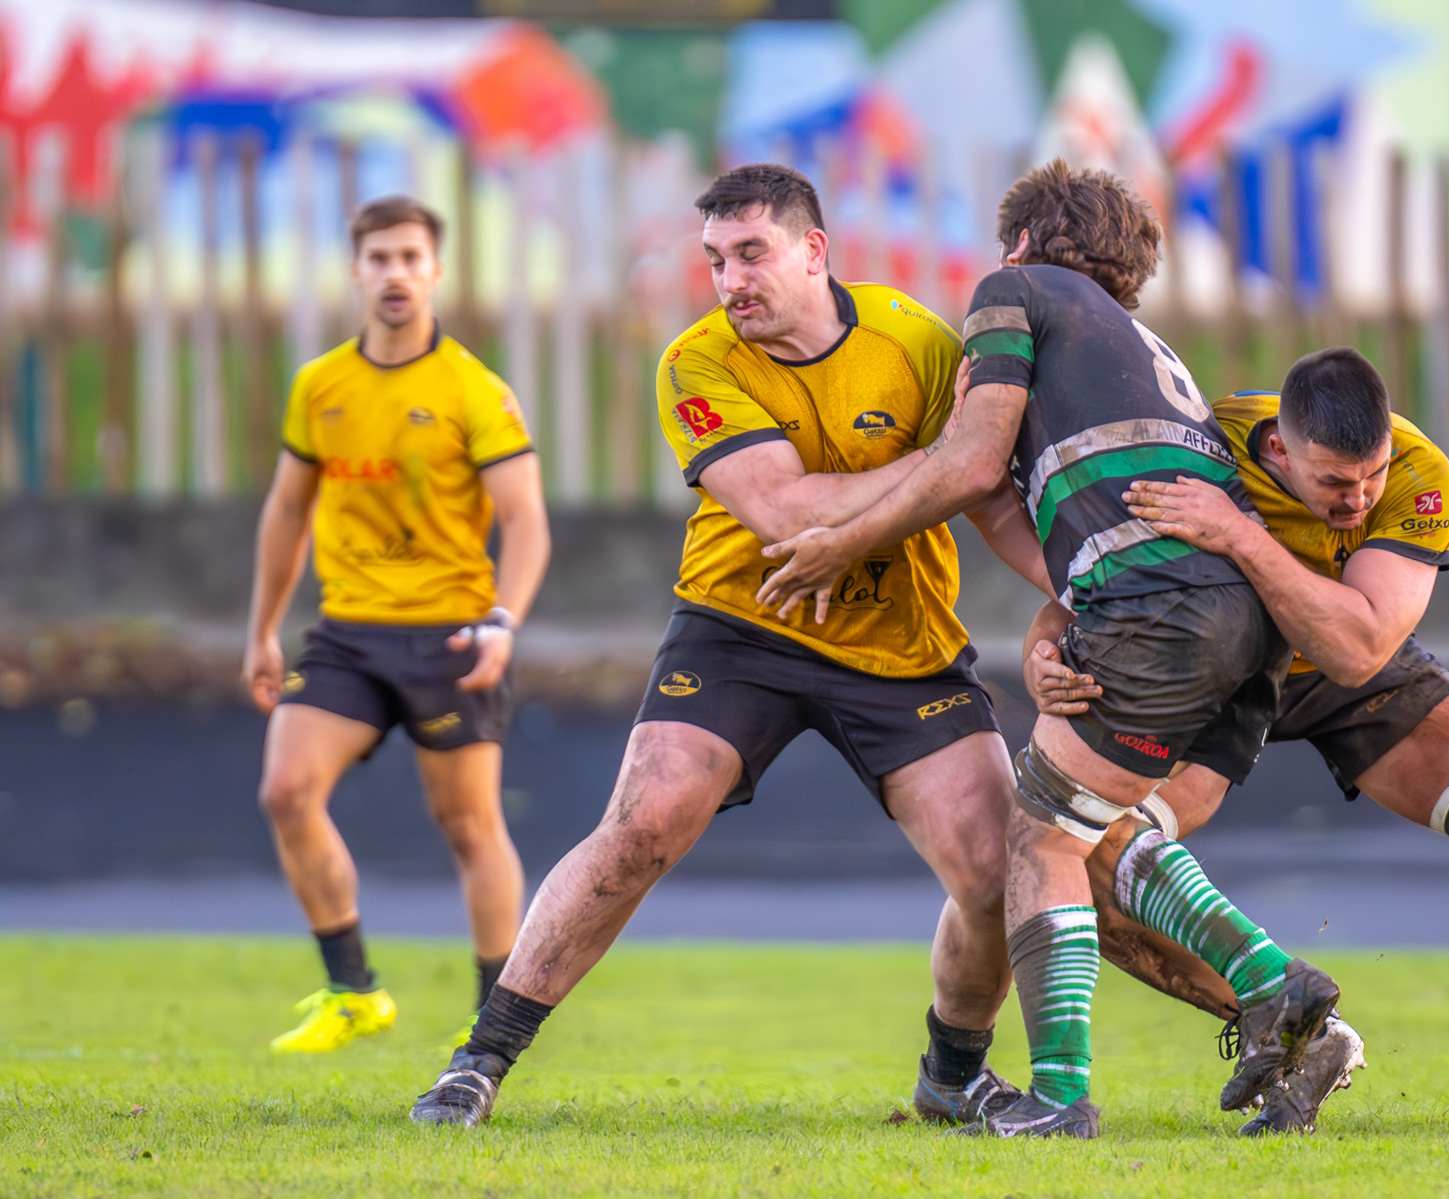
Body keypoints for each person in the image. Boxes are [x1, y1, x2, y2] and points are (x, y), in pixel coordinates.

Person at [411, 163, 1043, 1129]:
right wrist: (943, 465)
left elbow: (992, 494)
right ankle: (479, 1060)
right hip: (743, 622)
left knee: (996, 873)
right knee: (643, 823)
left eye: (751, 254)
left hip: (898, 635)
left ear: (813, 251)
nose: (729, 280)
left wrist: (1070, 585)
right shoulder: (695, 361)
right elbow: (784, 510)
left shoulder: (914, 340)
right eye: (713, 260)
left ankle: (952, 1074)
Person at [753, 160, 1340, 1140]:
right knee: (1103, 832)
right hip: (1242, 614)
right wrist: (1069, 615)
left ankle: (1071, 1089)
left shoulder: (1013, 291)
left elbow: (974, 460)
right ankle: (1271, 987)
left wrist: (842, 541)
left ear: (1023, 241)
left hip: (1165, 605)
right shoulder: (1129, 343)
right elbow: (1038, 508)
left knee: (1040, 836)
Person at [1025, 351, 1449, 1128]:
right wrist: (1045, 638)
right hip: (1213, 666)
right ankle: (1302, 1025)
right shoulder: (1204, 442)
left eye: (1370, 474)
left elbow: (1360, 649)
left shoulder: (1421, 472)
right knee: (1094, 856)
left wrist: (1237, 533)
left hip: (1345, 652)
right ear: (1276, 451)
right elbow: (1098, 553)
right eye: (1334, 482)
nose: (1358, 499)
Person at [243, 196, 550, 1053]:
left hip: (451, 634)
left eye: (411, 257)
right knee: (286, 789)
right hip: (347, 633)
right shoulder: (320, 385)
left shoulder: (473, 388)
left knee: (469, 825)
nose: (395, 274)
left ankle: (497, 1012)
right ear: (356, 270)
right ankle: (352, 991)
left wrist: (503, 621)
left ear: (435, 271)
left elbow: (526, 520)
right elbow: (286, 511)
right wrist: (262, 628)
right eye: (379, 258)